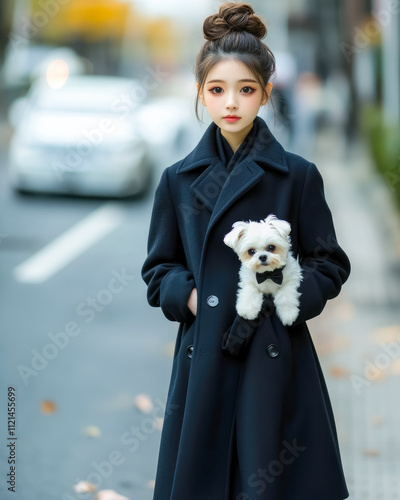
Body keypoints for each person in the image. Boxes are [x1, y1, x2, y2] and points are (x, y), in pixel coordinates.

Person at [141, 3, 351, 500]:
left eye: (246, 89)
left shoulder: (297, 175)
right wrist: (193, 300)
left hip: (275, 353)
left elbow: (331, 262)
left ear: (266, 93)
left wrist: (288, 300)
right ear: (200, 94)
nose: (231, 102)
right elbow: (158, 269)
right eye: (217, 90)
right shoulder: (177, 180)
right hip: (205, 356)